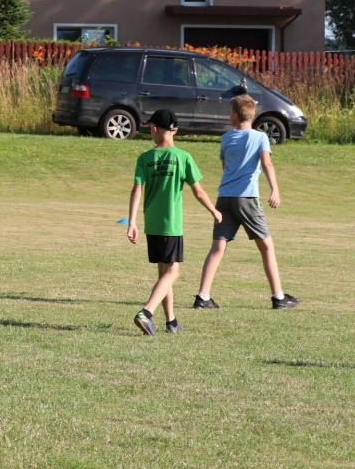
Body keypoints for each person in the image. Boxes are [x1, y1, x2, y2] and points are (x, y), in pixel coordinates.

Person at [193, 94, 300, 311]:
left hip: (225, 197)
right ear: (253, 115)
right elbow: (267, 164)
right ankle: (278, 297)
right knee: (266, 246)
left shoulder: (226, 138)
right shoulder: (260, 137)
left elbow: (225, 165)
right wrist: (275, 189)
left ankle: (203, 297)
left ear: (234, 115)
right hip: (247, 198)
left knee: (218, 246)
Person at [127, 108, 222, 336]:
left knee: (164, 275)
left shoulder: (145, 158)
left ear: (156, 129)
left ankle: (171, 322)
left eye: (150, 127)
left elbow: (136, 189)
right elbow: (198, 192)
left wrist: (132, 222)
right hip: (172, 225)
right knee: (173, 273)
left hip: (153, 225)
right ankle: (146, 313)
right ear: (175, 131)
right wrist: (214, 211)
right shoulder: (183, 157)